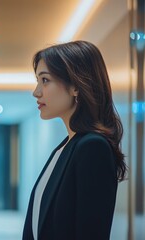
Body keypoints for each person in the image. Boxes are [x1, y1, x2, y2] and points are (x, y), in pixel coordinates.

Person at [22, 41, 127, 240]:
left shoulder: (92, 147)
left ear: (76, 87)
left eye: (45, 80)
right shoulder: (65, 147)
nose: (36, 92)